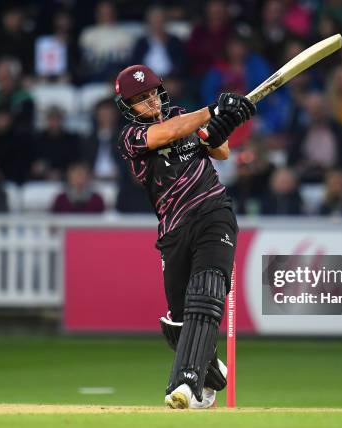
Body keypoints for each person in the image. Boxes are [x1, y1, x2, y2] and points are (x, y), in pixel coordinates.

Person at [114, 64, 255, 409]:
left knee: (205, 295)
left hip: (213, 212)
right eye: (140, 100)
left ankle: (185, 383)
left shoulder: (182, 115)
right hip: (174, 229)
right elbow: (166, 134)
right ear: (128, 108)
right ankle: (212, 374)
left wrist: (223, 125)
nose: (150, 103)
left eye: (151, 94)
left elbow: (221, 153)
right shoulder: (131, 138)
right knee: (178, 323)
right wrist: (212, 111)